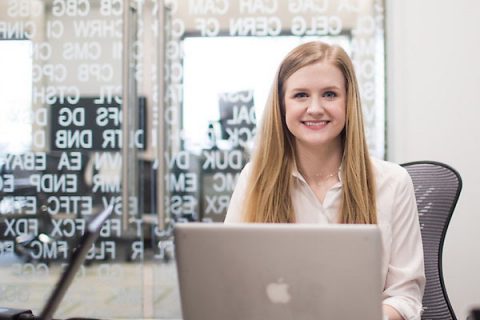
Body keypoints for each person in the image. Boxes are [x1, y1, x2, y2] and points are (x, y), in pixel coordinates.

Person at [224, 41, 425, 320]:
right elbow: (231, 285)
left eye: (330, 94)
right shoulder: (254, 179)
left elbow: (405, 296)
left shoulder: (393, 183)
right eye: (301, 95)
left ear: (348, 101)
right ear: (282, 104)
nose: (315, 108)